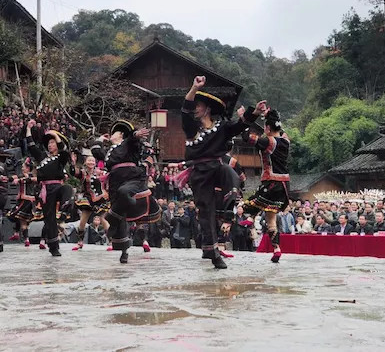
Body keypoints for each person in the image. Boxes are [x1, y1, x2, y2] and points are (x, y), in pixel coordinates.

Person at [179, 77, 261, 268]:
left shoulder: (222, 128)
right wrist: (194, 87)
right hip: (199, 174)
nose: (195, 109)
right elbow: (185, 109)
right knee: (205, 212)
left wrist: (254, 112)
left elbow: (239, 126)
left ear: (207, 109)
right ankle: (212, 252)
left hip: (217, 169)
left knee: (229, 171)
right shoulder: (192, 129)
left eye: (198, 106)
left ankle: (228, 212)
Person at [98, 120, 160, 263]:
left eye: (114, 133)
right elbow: (96, 151)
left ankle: (111, 218)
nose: (111, 135)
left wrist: (135, 135)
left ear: (121, 135)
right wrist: (100, 140)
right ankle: (124, 250)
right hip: (114, 181)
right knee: (120, 217)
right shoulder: (110, 151)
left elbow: (133, 141)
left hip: (130, 177)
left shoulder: (128, 144)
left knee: (124, 192)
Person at [242, 104, 289, 263]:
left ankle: (250, 217)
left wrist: (246, 118)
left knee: (252, 203)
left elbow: (246, 136)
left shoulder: (267, 142)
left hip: (271, 181)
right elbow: (279, 130)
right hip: (284, 186)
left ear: (268, 127)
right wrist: (269, 114)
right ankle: (277, 249)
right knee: (271, 220)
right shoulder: (285, 140)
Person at [25, 120, 73, 257]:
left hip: (57, 186)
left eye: (53, 143)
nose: (51, 145)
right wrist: (28, 128)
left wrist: (55, 135)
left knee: (67, 188)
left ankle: (65, 207)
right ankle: (53, 247)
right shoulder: (43, 158)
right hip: (45, 190)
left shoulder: (61, 158)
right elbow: (31, 145)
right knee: (49, 219)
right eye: (49, 143)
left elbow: (64, 150)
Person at [72, 153, 110, 251]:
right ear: (85, 162)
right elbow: (73, 172)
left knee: (103, 219)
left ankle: (111, 242)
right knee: (83, 221)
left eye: (93, 161)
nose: (91, 162)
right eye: (89, 160)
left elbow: (109, 178)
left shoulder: (101, 172)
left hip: (101, 198)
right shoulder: (82, 173)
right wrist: (73, 162)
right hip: (88, 199)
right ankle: (80, 242)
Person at [6, 158, 40, 247]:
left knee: (21, 219)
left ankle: (25, 238)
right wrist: (7, 178)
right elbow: (15, 177)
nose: (22, 168)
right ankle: (19, 234)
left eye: (23, 166)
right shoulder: (22, 175)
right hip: (22, 200)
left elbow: (33, 179)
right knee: (18, 216)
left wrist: (21, 180)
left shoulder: (31, 176)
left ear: (28, 168)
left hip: (27, 200)